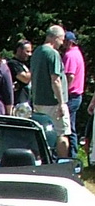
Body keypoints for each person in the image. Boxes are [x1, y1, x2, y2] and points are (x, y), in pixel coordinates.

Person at [31, 25, 70, 158]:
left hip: (38, 101)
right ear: (55, 38)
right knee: (61, 135)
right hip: (53, 102)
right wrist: (61, 103)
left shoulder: (37, 52)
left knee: (41, 135)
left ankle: (42, 162)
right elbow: (55, 79)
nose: (62, 43)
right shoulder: (53, 53)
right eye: (61, 39)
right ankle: (62, 166)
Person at [63, 31, 85, 155]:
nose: (62, 43)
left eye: (65, 41)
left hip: (71, 96)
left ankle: (72, 156)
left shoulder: (70, 55)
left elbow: (70, 76)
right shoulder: (77, 53)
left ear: (70, 42)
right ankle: (72, 154)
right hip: (77, 95)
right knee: (71, 127)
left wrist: (63, 94)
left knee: (68, 128)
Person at [6, 38, 33, 111]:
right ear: (19, 50)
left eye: (31, 52)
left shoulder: (25, 65)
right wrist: (35, 68)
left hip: (27, 103)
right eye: (27, 51)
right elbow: (25, 79)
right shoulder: (13, 64)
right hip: (18, 104)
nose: (30, 54)